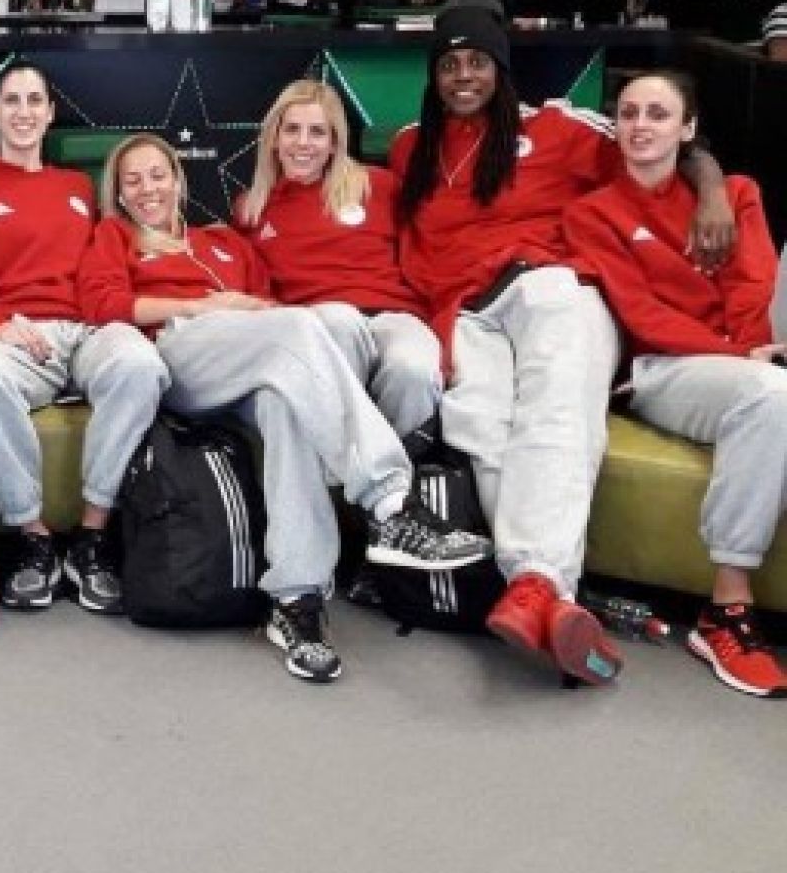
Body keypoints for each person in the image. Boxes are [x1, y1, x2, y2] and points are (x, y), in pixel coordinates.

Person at [391, 0, 734, 685]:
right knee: (480, 423)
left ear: (501, 68)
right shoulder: (410, 147)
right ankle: (548, 599)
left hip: (551, 284)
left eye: (478, 62)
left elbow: (657, 147)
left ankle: (538, 582)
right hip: (468, 310)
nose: (463, 76)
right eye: (450, 65)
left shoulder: (556, 126)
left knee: (556, 409)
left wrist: (714, 189)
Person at [84, 133, 490, 683]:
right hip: (181, 354)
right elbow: (104, 304)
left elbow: (270, 308)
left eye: (157, 175)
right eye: (132, 181)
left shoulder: (225, 242)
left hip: (251, 360)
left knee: (287, 404)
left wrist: (253, 312)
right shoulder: (116, 236)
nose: (147, 189)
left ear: (178, 181)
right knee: (300, 326)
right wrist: (203, 306)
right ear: (119, 194)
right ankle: (391, 503)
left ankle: (297, 599)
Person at [561, 70, 786, 698]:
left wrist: (754, 351)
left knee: (769, 392)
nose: (640, 126)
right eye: (628, 113)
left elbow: (753, 283)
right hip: (660, 369)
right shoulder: (591, 213)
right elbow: (641, 315)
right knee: (770, 398)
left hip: (742, 356)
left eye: (658, 115)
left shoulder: (736, 194)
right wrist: (745, 360)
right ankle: (727, 608)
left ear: (688, 130)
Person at [0, 63, 166, 612]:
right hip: (20, 336)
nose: (24, 112)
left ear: (50, 112)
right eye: (12, 101)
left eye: (34, 100)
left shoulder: (78, 187)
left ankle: (92, 536)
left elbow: (111, 258)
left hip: (88, 328)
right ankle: (32, 537)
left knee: (141, 364)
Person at [236, 79, 440, 441]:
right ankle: (350, 464)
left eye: (317, 132)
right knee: (338, 320)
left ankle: (393, 464)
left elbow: (432, 245)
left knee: (413, 369)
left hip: (392, 314)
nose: (303, 142)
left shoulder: (378, 185)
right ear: (274, 138)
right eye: (292, 130)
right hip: (318, 325)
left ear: (334, 142)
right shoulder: (250, 208)